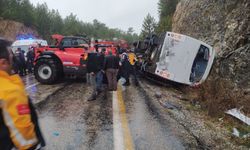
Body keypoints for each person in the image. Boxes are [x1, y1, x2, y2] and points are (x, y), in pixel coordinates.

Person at [0, 38, 45, 150]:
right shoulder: (10, 91)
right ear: (3, 62)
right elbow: (25, 138)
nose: (13, 58)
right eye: (11, 55)